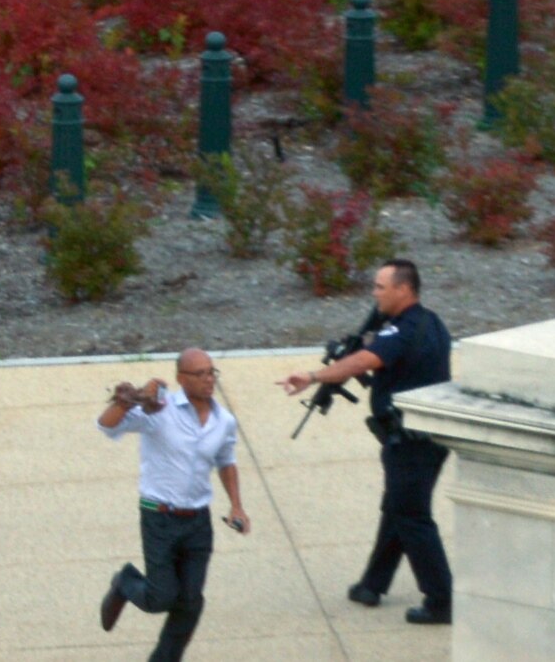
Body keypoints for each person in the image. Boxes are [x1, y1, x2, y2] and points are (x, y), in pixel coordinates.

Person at [278, 259, 453, 625]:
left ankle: (441, 599)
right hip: (429, 437)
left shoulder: (400, 331)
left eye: (380, 287)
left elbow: (362, 361)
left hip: (409, 441)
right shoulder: (431, 322)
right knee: (397, 509)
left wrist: (313, 375)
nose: (374, 294)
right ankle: (372, 585)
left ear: (403, 290)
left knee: (412, 516)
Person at [96, 348, 250, 661]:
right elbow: (107, 425)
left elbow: (226, 461)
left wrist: (237, 506)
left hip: (198, 521)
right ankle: (125, 582)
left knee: (191, 601)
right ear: (181, 378)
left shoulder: (224, 421)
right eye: (200, 374)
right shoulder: (160, 410)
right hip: (159, 517)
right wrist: (130, 399)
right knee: (161, 597)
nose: (209, 380)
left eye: (212, 372)